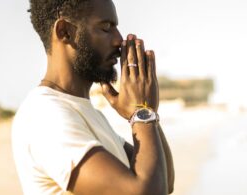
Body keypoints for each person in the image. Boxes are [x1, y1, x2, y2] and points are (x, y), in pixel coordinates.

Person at [11, 0, 175, 194]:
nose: (118, 40)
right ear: (65, 31)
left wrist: (148, 112)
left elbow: (164, 182)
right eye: (106, 28)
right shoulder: (44, 115)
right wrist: (141, 112)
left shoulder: (86, 112)